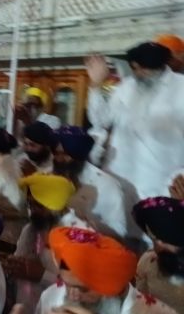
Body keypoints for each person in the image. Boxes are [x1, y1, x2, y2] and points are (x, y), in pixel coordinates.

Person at [85, 42, 184, 200]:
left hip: (162, 182)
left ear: (159, 66)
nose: (138, 73)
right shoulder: (126, 87)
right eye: (134, 68)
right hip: (119, 178)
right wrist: (96, 85)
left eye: (143, 69)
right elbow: (101, 120)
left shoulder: (180, 88)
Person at [37, 226, 176, 313]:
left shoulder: (155, 311)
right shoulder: (50, 297)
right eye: (66, 283)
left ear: (111, 286)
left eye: (82, 289)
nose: (72, 295)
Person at [5, 174, 87, 313]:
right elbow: (20, 263)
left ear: (56, 205)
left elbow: (81, 288)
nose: (32, 211)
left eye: (38, 205)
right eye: (30, 204)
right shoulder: (31, 228)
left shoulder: (77, 236)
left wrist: (42, 275)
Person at [53, 126, 139, 243]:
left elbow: (119, 232)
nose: (59, 159)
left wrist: (85, 222)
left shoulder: (106, 184)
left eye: (65, 154)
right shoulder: (51, 176)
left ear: (78, 156)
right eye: (56, 153)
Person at [133, 196, 184, 312]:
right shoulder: (148, 261)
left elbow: (141, 293)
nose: (156, 244)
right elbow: (141, 291)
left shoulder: (148, 260)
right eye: (152, 238)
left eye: (155, 238)